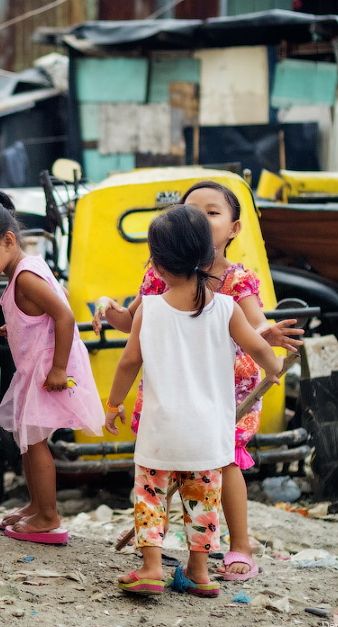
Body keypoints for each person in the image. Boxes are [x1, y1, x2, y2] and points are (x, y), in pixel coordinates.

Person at [92, 181, 302, 581]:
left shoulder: (235, 281)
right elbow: (131, 322)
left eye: (211, 212)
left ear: (234, 228)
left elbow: (254, 326)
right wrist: (109, 308)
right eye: (191, 213)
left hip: (222, 388)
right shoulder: (156, 282)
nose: (199, 221)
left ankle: (237, 545)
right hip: (170, 385)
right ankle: (174, 550)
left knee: (223, 462)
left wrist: (267, 338)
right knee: (178, 467)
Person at [0, 192, 103, 545]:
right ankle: (37, 505)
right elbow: (42, 316)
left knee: (35, 443)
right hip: (36, 367)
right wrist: (19, 327)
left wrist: (57, 368)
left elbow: (65, 315)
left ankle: (49, 516)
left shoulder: (24, 277)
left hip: (47, 371)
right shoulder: (23, 269)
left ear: (7, 241)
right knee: (26, 440)